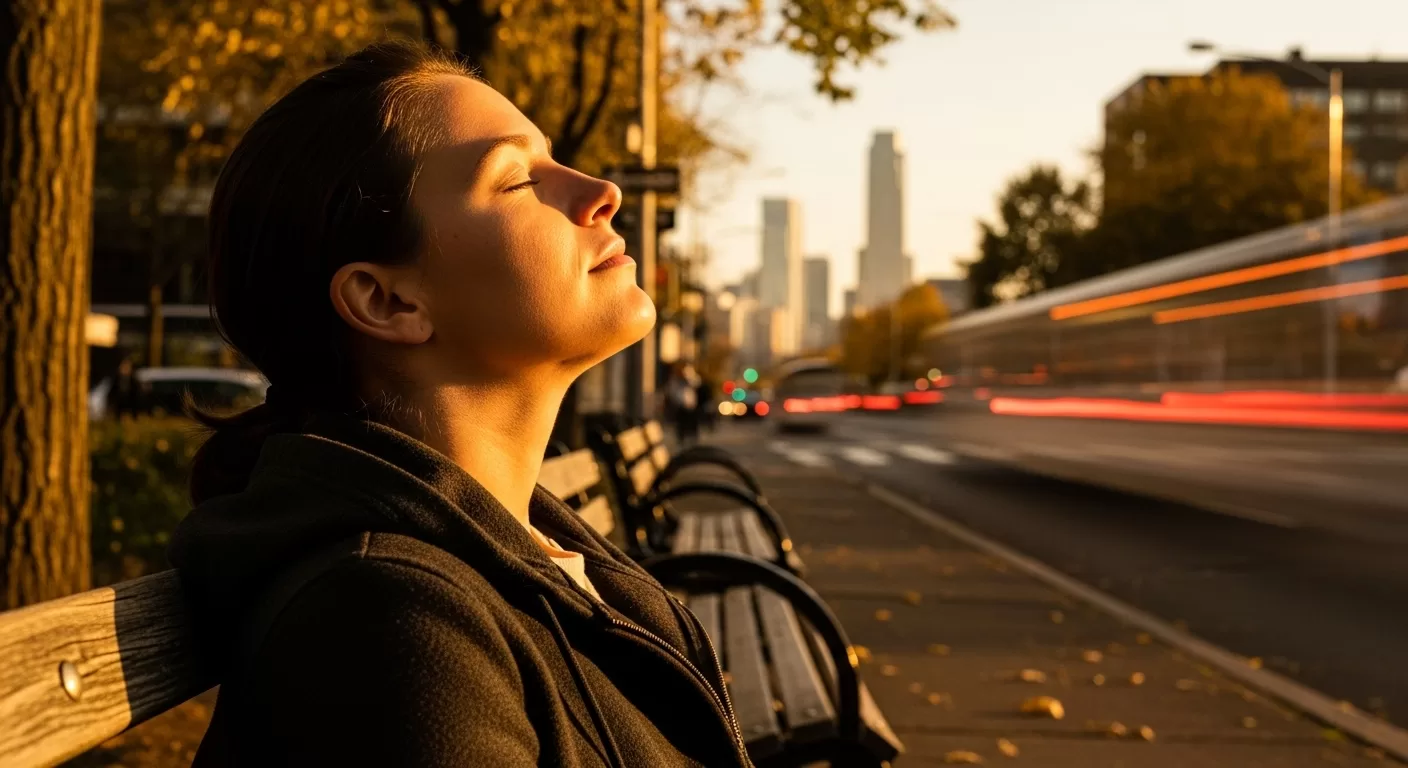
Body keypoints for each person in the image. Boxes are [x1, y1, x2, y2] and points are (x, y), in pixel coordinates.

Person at [169, 40, 748, 767]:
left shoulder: (521, 560)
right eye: (515, 180)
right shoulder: (384, 628)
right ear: (387, 301)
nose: (601, 190)